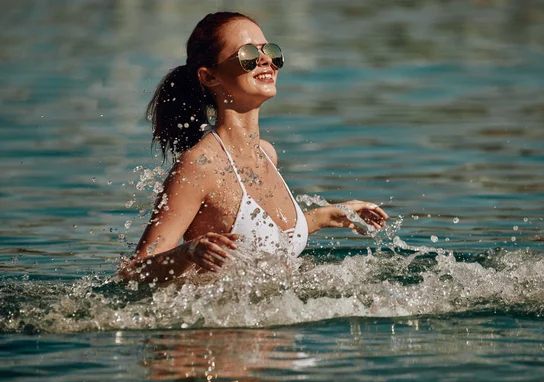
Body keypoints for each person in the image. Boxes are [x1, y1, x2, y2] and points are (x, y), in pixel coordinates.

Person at [120, 12, 388, 283]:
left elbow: (268, 242)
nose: (265, 60)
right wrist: (188, 252)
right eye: (248, 55)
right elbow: (132, 272)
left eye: (270, 51)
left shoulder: (266, 154)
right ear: (210, 76)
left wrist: (329, 214)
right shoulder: (201, 166)